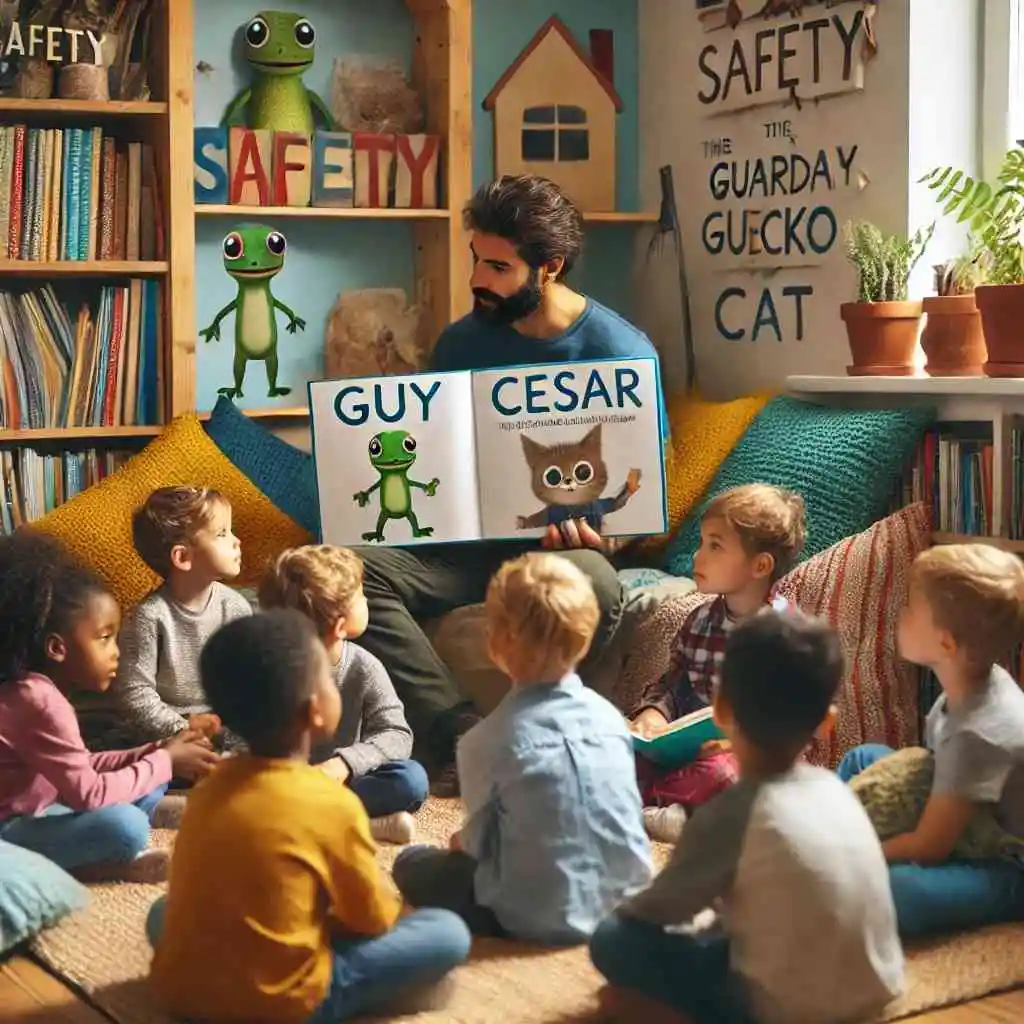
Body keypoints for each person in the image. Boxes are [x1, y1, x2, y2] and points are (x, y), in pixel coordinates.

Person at [354, 174, 668, 793]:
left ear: (548, 268)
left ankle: (547, 731)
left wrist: (609, 541)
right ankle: (458, 730)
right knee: (342, 566)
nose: (477, 279)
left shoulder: (622, 353)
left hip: (559, 553)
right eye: (477, 259)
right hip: (461, 549)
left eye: (498, 267)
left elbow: (644, 506)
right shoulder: (461, 342)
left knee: (598, 581)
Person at [146, 609, 471, 1024]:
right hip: (282, 1006)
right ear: (316, 709)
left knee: (163, 913)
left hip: (183, 995)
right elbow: (370, 920)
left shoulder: (210, 787)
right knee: (447, 932)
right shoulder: (332, 804)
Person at [591, 612, 905, 1024]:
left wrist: (623, 903)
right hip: (878, 992)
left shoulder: (730, 813)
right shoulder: (837, 790)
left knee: (612, 939)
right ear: (826, 723)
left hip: (783, 1011)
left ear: (719, 708)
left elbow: (656, 910)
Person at [391, 553, 652, 945]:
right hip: (620, 899)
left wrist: (465, 842)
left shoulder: (482, 741)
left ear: (495, 643)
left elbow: (477, 849)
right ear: (585, 639)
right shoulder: (613, 721)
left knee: (412, 864)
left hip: (527, 916)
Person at [0, 532, 217, 883]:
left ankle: (153, 807)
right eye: (104, 637)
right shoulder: (37, 700)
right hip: (9, 832)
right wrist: (165, 762)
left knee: (144, 774)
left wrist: (159, 750)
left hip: (47, 803)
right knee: (125, 826)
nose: (116, 651)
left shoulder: (37, 689)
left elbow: (81, 767)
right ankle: (97, 866)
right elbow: (89, 793)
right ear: (58, 648)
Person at [838, 543, 1024, 939]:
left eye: (910, 609)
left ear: (945, 644)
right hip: (968, 816)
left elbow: (930, 847)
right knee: (862, 758)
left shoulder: (977, 734)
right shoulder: (970, 683)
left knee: (896, 889)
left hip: (1006, 859)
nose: (900, 616)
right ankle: (821, 826)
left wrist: (853, 856)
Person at [630, 484, 805, 843]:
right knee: (617, 754)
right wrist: (654, 715)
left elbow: (795, 718)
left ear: (760, 565)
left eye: (715, 545)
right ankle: (666, 810)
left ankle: (662, 811)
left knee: (727, 776)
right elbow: (673, 684)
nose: (698, 557)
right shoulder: (700, 621)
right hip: (683, 754)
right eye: (702, 543)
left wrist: (742, 745)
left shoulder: (785, 633)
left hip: (745, 762)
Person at [257, 544, 429, 846]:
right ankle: (348, 822)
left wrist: (344, 764)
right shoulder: (268, 669)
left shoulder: (364, 667)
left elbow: (397, 734)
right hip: (282, 782)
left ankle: (300, 817)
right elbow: (240, 737)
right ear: (339, 626)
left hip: (346, 780)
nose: (366, 600)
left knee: (410, 780)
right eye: (362, 596)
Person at [112, 485, 252, 748]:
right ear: (183, 557)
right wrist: (185, 730)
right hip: (168, 734)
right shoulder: (149, 618)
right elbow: (134, 696)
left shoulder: (236, 608)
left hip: (225, 731)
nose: (237, 540)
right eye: (222, 533)